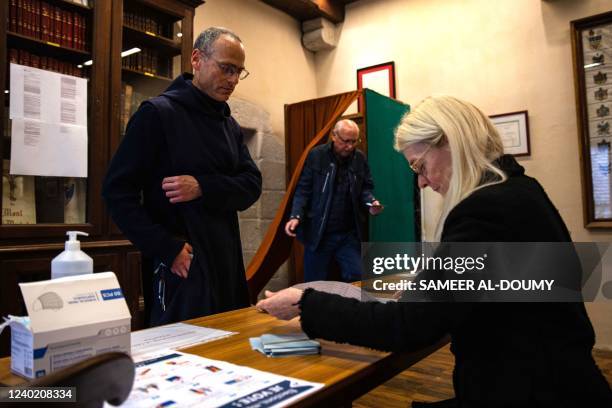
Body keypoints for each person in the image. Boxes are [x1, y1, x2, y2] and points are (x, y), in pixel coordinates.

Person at [258, 96, 612, 407]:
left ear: (449, 142)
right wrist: (433, 287)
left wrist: (307, 302)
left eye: (418, 166)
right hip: (561, 384)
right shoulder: (522, 190)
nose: (422, 182)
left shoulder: (484, 209)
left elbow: (408, 327)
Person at [102, 27, 262, 326]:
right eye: (226, 68)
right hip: (181, 265)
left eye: (239, 72)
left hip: (226, 261)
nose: (233, 80)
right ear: (197, 59)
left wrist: (203, 186)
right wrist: (165, 247)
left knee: (230, 353)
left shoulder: (229, 125)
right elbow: (116, 192)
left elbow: (252, 185)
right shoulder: (157, 114)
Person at [284, 119, 383, 282]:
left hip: (348, 234)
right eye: (345, 141)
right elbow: (303, 189)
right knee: (314, 283)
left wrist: (370, 202)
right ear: (334, 136)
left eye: (354, 142)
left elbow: (365, 187)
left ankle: (351, 308)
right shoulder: (317, 155)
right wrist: (295, 216)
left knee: (358, 277)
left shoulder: (359, 158)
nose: (350, 146)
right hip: (319, 233)